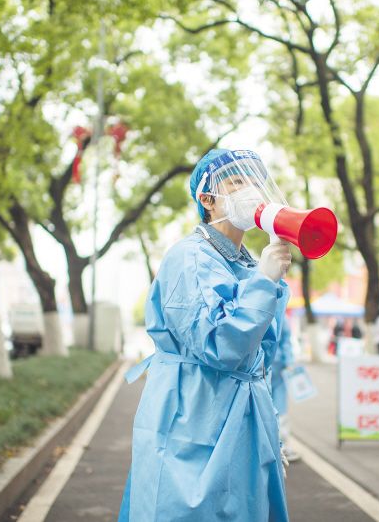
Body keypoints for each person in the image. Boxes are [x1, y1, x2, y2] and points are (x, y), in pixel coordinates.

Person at [118, 149, 293, 521]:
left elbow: (260, 357)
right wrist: (263, 282)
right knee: (186, 507)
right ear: (207, 199)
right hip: (192, 414)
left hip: (243, 418)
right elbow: (221, 344)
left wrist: (268, 433)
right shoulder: (189, 257)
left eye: (255, 182)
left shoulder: (246, 262)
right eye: (236, 182)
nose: (251, 191)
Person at [271, 321, 301, 462]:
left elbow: (286, 340)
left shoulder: (280, 316)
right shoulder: (279, 314)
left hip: (273, 370)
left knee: (281, 411)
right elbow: (286, 342)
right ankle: (276, 447)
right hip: (262, 371)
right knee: (274, 410)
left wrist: (289, 362)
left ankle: (281, 446)